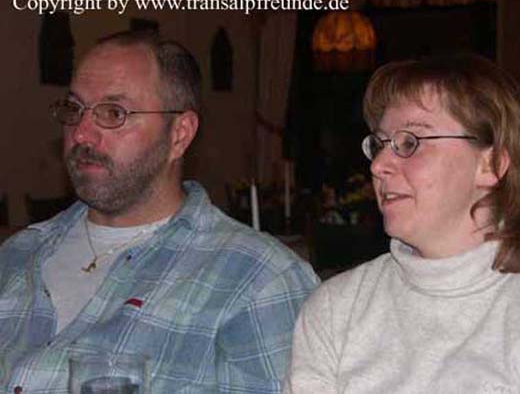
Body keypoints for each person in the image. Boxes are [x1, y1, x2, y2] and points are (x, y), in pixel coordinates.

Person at [0, 30, 319, 393]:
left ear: (179, 134)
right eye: (74, 109)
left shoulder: (257, 280)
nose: (82, 135)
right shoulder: (16, 256)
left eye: (113, 113)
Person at [283, 54, 520, 393]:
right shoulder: (336, 309)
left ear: (492, 164)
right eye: (379, 144)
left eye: (410, 143)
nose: (378, 165)